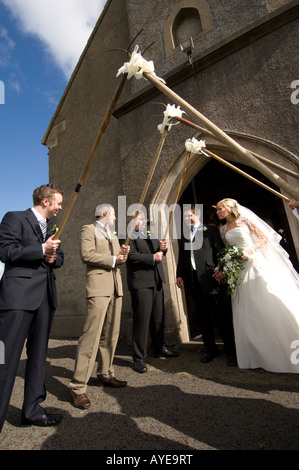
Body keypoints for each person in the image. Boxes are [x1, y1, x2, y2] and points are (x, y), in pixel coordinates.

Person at [0, 184, 64, 432]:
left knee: (38, 358)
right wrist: (40, 250)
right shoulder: (14, 218)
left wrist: (52, 257)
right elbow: (5, 251)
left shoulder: (51, 228)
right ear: (46, 201)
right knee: (5, 361)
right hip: (17, 299)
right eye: (57, 202)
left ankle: (32, 411)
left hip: (45, 299)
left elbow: (60, 258)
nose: (60, 207)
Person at [215, 198, 299, 373]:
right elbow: (228, 250)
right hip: (238, 272)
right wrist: (221, 268)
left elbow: (264, 238)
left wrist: (250, 251)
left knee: (266, 303)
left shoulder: (245, 221)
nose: (217, 212)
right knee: (246, 309)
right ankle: (257, 354)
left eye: (220, 208)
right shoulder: (222, 229)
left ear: (230, 208)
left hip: (254, 265)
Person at [69, 204, 130, 409]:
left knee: (111, 333)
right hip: (98, 288)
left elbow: (116, 261)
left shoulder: (111, 233)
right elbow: (87, 255)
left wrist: (122, 255)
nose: (114, 219)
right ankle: (78, 387)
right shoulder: (88, 229)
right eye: (113, 215)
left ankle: (105, 373)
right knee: (91, 335)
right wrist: (114, 258)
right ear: (105, 213)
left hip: (115, 288)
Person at [176, 205, 236, 365]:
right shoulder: (184, 235)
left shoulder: (210, 231)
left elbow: (220, 252)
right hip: (194, 281)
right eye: (185, 217)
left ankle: (231, 351)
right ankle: (211, 350)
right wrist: (179, 274)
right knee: (203, 318)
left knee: (221, 317)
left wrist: (221, 270)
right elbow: (182, 256)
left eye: (190, 216)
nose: (187, 219)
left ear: (198, 216)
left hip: (211, 278)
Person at [123, 211, 179, 374]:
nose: (144, 222)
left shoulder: (149, 233)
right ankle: (139, 357)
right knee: (142, 320)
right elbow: (131, 256)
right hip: (141, 283)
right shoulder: (127, 235)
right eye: (140, 219)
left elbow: (159, 252)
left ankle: (158, 348)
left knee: (158, 317)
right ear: (133, 220)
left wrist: (163, 248)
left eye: (144, 219)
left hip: (156, 281)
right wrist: (152, 258)